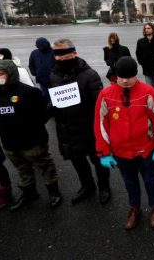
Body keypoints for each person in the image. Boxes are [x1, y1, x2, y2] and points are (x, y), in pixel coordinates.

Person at [95, 57, 154, 229]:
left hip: (145, 150)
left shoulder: (148, 92)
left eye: (130, 76)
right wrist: (104, 152)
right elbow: (100, 125)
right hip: (121, 152)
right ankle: (134, 207)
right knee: (129, 181)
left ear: (136, 75)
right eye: (122, 77)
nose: (126, 80)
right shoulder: (105, 96)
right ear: (116, 75)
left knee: (150, 179)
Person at [50, 39, 111, 205]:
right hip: (67, 129)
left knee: (98, 161)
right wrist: (51, 106)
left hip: (88, 128)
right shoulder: (54, 74)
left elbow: (99, 104)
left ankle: (104, 186)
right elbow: (52, 97)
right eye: (56, 54)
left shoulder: (89, 75)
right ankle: (87, 186)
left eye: (63, 53)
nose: (60, 58)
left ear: (74, 52)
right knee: (78, 161)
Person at [0, 60, 62, 212]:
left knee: (45, 167)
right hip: (10, 144)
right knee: (22, 170)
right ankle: (29, 193)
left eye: (0, 74)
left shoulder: (29, 92)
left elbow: (42, 116)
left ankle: (53, 192)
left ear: (11, 74)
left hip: (32, 142)